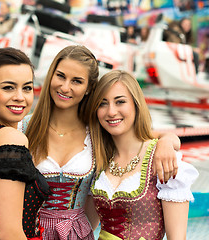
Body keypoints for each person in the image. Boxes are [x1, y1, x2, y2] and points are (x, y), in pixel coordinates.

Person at [23, 45, 181, 239]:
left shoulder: (97, 133)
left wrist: (166, 141)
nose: (65, 87)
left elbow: (144, 135)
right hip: (29, 232)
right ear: (50, 76)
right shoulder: (25, 128)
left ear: (89, 88)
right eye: (60, 76)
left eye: (77, 81)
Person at [87, 70, 198, 239]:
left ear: (136, 104)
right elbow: (87, 225)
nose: (111, 112)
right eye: (103, 104)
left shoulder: (162, 158)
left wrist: (166, 141)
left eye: (120, 102)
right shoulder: (98, 157)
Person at [0, 47, 50, 240]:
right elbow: (9, 234)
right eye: (8, 87)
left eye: (27, 88)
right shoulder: (10, 139)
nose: (20, 97)